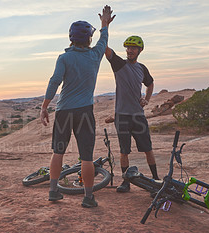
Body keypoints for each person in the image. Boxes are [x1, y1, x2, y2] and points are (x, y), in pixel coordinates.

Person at [40, 5, 115, 208]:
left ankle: (53, 191)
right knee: (87, 157)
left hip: (64, 111)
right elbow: (104, 41)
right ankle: (88, 197)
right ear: (88, 38)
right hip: (84, 111)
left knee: (58, 152)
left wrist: (44, 107)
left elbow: (54, 81)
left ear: (71, 38)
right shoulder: (95, 55)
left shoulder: (64, 58)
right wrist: (104, 25)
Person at [105, 35, 159, 193]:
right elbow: (106, 49)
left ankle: (155, 180)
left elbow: (150, 83)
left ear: (140, 50)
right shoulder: (119, 64)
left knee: (148, 149)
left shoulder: (142, 68)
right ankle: (126, 182)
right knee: (124, 151)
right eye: (128, 48)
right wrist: (105, 26)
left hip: (138, 115)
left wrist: (147, 99)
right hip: (122, 116)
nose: (129, 50)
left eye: (133, 48)